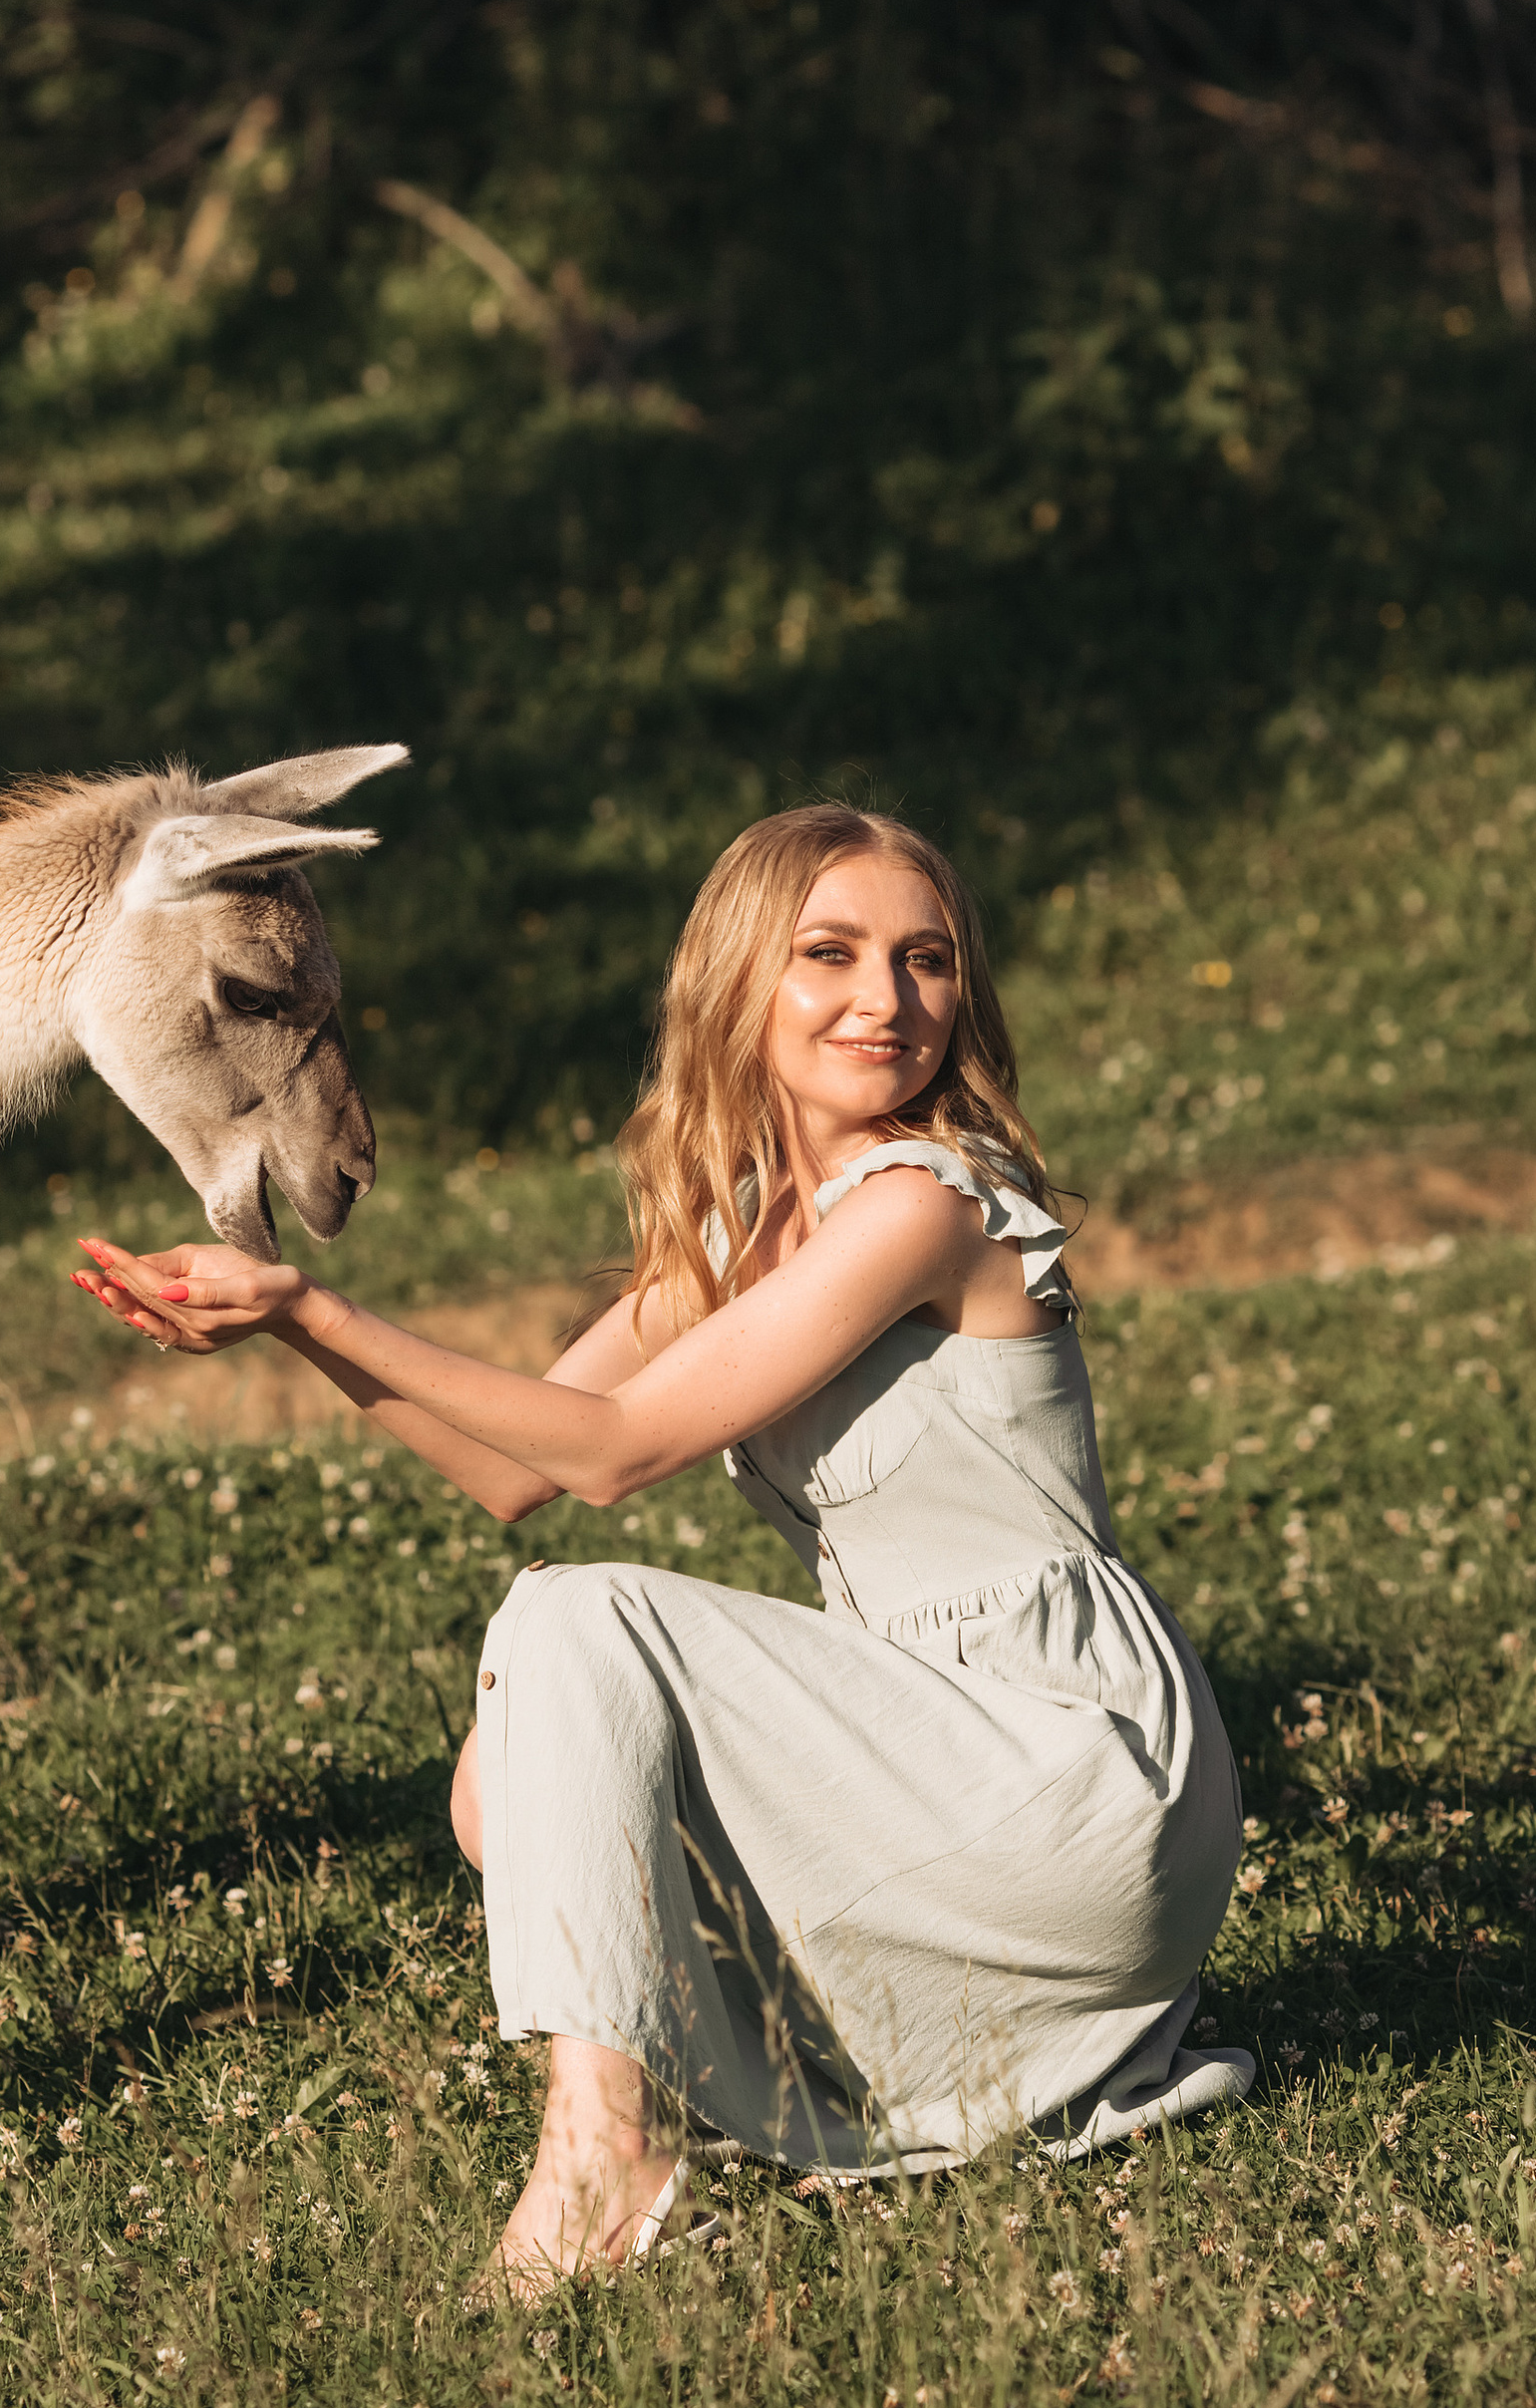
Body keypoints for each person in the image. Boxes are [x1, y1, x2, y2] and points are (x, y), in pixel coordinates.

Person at [72, 803, 1252, 2295]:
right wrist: (282, 1314)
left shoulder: (922, 1206)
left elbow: (615, 1458)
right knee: (510, 1775)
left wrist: (317, 1312)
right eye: (829, 954)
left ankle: (603, 2152)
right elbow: (515, 1471)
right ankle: (858, 2072)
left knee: (577, 1625)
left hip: (1070, 1758)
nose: (885, 999)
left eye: (926, 959)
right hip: (945, 1746)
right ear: (744, 982)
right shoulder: (759, 1228)